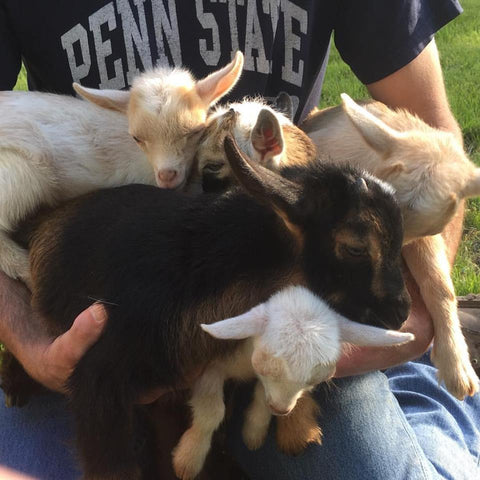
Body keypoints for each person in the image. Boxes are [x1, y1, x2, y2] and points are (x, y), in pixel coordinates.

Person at [0, 0, 478, 478]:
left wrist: (414, 323)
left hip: (291, 313)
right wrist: (24, 331)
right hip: (95, 290)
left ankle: (423, 391)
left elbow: (433, 146)